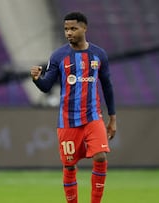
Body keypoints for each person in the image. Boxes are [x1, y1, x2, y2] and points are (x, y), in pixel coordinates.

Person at [30, 12, 116, 203]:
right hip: (68, 120)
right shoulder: (58, 56)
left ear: (84, 28)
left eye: (73, 28)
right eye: (66, 29)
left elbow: (107, 86)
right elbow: (46, 86)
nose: (69, 32)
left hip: (93, 116)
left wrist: (113, 118)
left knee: (100, 157)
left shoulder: (98, 54)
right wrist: (37, 79)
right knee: (69, 166)